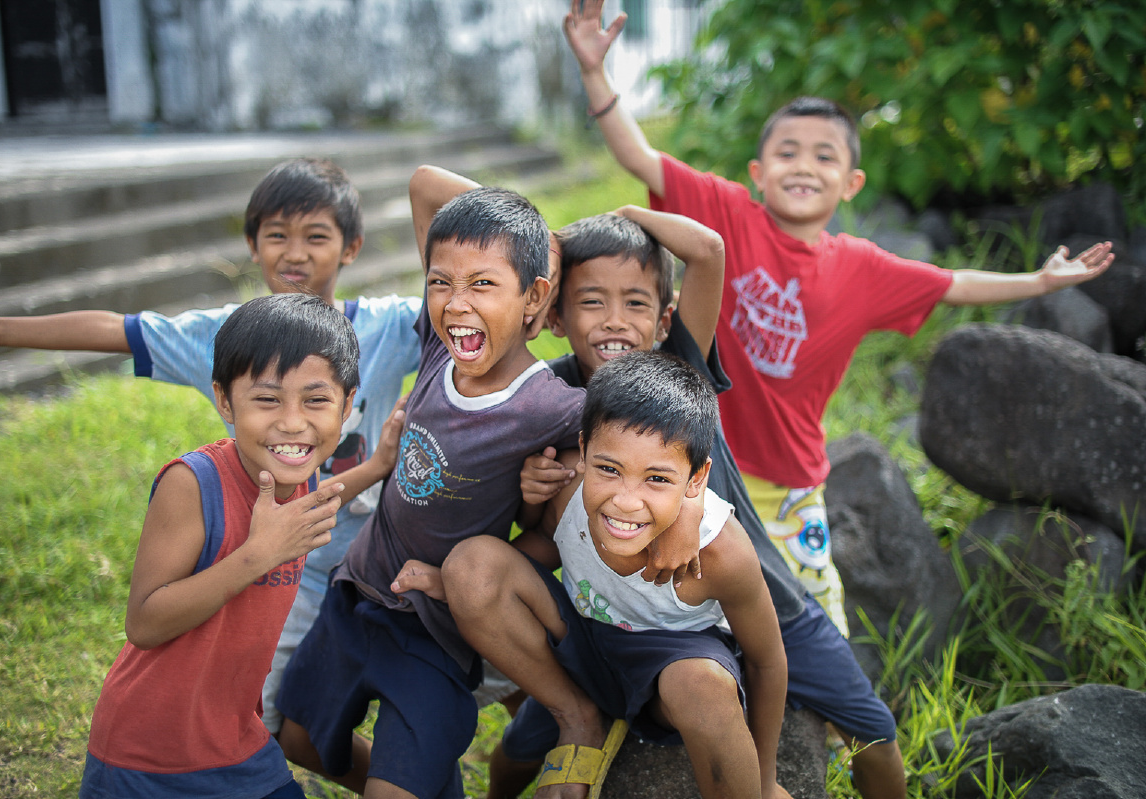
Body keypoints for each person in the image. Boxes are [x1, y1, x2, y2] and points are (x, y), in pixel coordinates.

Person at [561, 0, 1115, 636]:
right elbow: (640, 158)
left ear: (850, 183)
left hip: (793, 482)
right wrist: (596, 72)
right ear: (758, 171)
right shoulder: (728, 212)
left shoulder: (862, 267)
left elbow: (953, 284)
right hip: (703, 469)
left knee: (818, 618)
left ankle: (831, 724)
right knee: (695, 605)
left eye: (824, 157)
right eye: (788, 151)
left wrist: (1041, 280)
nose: (803, 165)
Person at [0, 158, 423, 735]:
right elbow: (118, 331)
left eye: (316, 236)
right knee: (267, 719)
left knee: (409, 703)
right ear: (252, 245)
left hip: (373, 557)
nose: (294, 254)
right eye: (276, 235)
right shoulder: (226, 338)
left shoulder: (388, 327)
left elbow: (471, 288)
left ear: (352, 247)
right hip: (274, 565)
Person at [513, 209, 908, 799]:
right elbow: (547, 522)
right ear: (555, 313)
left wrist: (606, 221)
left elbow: (709, 251)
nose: (614, 322)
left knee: (871, 731)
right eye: (592, 301)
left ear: (664, 316)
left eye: (636, 303)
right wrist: (532, 485)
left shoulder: (679, 367)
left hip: (763, 597)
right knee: (518, 746)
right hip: (625, 615)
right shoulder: (551, 392)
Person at [272, 170, 587, 799]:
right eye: (441, 283)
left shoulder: (553, 405)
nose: (456, 302)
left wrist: (544, 250)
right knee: (295, 736)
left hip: (433, 631)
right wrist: (525, 236)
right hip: (357, 595)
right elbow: (424, 186)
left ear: (534, 299)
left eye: (483, 284)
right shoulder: (441, 349)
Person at [80, 292, 404, 799]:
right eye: (267, 399)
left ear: (347, 405)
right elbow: (143, 623)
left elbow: (322, 500)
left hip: (237, 741)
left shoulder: (299, 473)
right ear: (225, 400)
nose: (293, 422)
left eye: (316, 400)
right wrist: (257, 556)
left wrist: (379, 466)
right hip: (148, 754)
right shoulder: (192, 484)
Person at [443, 351, 790, 799]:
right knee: (510, 760)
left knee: (703, 689)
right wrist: (454, 582)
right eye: (609, 469)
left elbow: (767, 661)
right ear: (584, 450)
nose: (626, 501)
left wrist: (763, 781)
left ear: (696, 479)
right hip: (581, 651)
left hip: (672, 663)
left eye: (657, 479)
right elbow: (551, 543)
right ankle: (578, 715)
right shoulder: (566, 492)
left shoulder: (719, 551)